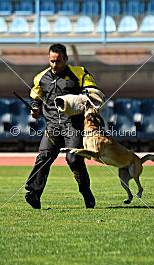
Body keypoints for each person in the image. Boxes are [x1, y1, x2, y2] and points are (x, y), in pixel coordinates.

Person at [24, 43, 98, 209]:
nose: (54, 65)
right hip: (52, 126)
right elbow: (35, 97)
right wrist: (35, 109)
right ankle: (34, 194)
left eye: (58, 61)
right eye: (51, 61)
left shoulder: (80, 73)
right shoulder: (41, 77)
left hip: (74, 125)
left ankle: (86, 193)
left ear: (66, 59)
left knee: (73, 160)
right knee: (43, 157)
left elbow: (92, 93)